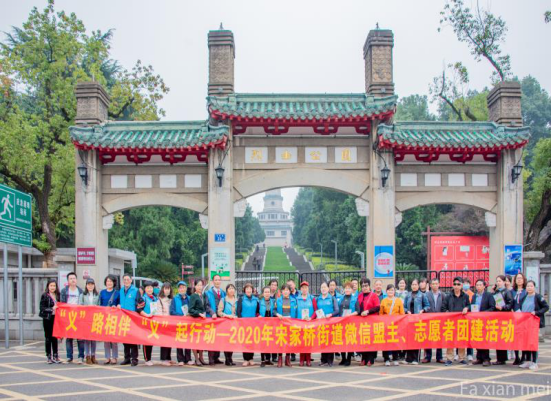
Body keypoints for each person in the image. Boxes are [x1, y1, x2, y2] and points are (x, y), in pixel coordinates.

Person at [518, 280, 549, 371]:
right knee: (525, 342)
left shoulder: (538, 297)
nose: (529, 288)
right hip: (525, 323)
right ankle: (528, 361)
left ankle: (534, 362)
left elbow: (546, 307)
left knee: (533, 342)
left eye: (531, 286)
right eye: (528, 286)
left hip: (534, 323)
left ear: (534, 287)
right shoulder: (524, 297)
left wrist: (537, 312)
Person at [442, 277, 470, 366]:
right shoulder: (448, 296)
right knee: (450, 339)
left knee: (461, 339)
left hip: (462, 321)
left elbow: (469, 306)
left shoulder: (465, 296)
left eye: (458, 284)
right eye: (455, 284)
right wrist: (447, 312)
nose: (456, 286)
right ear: (452, 285)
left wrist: (467, 308)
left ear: (461, 285)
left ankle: (461, 358)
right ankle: (449, 358)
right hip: (451, 322)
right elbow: (443, 307)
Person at [60, 272, 84, 364]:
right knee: (69, 337)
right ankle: (69, 356)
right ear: (68, 280)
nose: (73, 280)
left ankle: (81, 356)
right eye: (71, 278)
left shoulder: (80, 291)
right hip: (68, 316)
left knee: (80, 337)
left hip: (78, 316)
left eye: (74, 278)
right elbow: (62, 303)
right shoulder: (64, 291)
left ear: (76, 280)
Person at [470, 279, 496, 366]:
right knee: (477, 339)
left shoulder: (488, 295)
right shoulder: (474, 296)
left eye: (480, 285)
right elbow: (472, 306)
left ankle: (486, 358)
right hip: (476, 320)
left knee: (484, 340)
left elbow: (492, 307)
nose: (478, 287)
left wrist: (483, 313)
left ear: (484, 286)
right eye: (477, 285)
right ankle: (479, 358)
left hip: (485, 320)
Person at [404, 279, 429, 365]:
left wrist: (423, 310)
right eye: (413, 284)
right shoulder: (408, 295)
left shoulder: (422, 295)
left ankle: (415, 358)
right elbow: (404, 307)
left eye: (415, 284)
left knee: (416, 338)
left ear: (418, 286)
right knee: (409, 339)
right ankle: (408, 358)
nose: (414, 286)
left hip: (418, 320)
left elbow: (427, 306)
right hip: (409, 320)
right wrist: (406, 311)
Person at [356, 278, 380, 366]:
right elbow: (358, 308)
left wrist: (368, 311)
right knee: (363, 340)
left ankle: (370, 359)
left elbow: (377, 307)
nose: (364, 287)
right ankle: (364, 358)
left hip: (372, 321)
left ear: (369, 286)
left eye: (366, 285)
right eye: (362, 286)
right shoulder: (360, 296)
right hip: (363, 322)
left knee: (371, 340)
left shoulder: (374, 295)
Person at [379, 284, 404, 366]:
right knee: (386, 342)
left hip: (395, 324)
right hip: (386, 324)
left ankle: (395, 358)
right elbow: (381, 313)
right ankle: (386, 358)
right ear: (386, 291)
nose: (390, 292)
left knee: (395, 341)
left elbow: (402, 313)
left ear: (394, 291)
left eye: (392, 290)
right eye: (389, 290)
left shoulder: (398, 301)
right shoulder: (383, 301)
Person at [492, 275, 514, 365]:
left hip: (504, 317)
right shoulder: (496, 292)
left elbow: (510, 304)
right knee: (498, 338)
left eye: (500, 281)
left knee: (502, 338)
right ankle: (499, 358)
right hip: (497, 317)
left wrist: (502, 308)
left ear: (504, 282)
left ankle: (502, 358)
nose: (498, 283)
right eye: (497, 281)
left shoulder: (507, 292)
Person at [118, 273, 139, 366]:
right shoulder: (121, 290)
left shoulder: (135, 290)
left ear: (131, 280)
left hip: (133, 318)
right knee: (125, 339)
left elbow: (139, 303)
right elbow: (119, 301)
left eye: (128, 279)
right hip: (123, 317)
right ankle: (127, 358)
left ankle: (134, 359)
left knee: (133, 339)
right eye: (124, 280)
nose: (126, 281)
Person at [316, 282, 339, 367]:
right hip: (321, 323)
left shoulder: (332, 298)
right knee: (322, 341)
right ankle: (323, 360)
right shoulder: (318, 299)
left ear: (328, 288)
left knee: (330, 341)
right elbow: (316, 310)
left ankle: (330, 360)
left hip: (330, 323)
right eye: (322, 287)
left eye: (325, 287)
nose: (323, 289)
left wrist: (331, 314)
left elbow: (337, 310)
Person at [170, 281, 192, 366]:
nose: (182, 289)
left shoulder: (189, 298)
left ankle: (188, 358)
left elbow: (192, 309)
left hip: (188, 322)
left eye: (183, 287)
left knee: (188, 340)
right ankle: (180, 359)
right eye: (180, 288)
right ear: (178, 289)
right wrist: (181, 316)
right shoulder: (175, 299)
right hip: (179, 322)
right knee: (179, 341)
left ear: (186, 288)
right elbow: (172, 311)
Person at [237, 283, 259, 366]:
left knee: (252, 341)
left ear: (252, 290)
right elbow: (238, 311)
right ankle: (246, 359)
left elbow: (257, 311)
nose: (249, 290)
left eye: (250, 289)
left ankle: (251, 358)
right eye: (247, 289)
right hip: (244, 323)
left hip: (253, 324)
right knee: (245, 341)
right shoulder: (241, 299)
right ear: (244, 290)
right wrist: (240, 321)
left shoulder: (256, 299)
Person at [99, 275, 120, 365]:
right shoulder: (102, 292)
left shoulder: (117, 293)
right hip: (104, 318)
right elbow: (99, 304)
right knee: (106, 339)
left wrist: (117, 306)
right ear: (105, 282)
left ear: (114, 283)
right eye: (108, 281)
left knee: (114, 339)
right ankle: (107, 357)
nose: (109, 283)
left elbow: (119, 304)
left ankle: (114, 357)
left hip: (114, 318)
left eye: (111, 281)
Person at [39, 278, 61, 364]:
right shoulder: (45, 295)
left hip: (56, 318)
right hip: (47, 318)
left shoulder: (58, 295)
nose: (52, 287)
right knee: (48, 337)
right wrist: (52, 309)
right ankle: (48, 355)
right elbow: (42, 308)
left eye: (54, 286)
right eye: (51, 285)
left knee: (55, 337)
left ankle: (55, 355)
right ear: (48, 286)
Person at [423, 279, 444, 364]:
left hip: (439, 319)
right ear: (430, 285)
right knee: (428, 338)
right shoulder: (426, 295)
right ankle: (428, 357)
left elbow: (444, 306)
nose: (435, 285)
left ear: (439, 284)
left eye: (436, 284)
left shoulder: (442, 295)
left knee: (439, 338)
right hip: (429, 319)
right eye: (433, 284)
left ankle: (439, 357)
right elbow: (425, 305)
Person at [137, 281, 158, 366]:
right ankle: (147, 359)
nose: (149, 289)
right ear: (145, 289)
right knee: (146, 341)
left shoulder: (155, 298)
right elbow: (139, 309)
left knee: (151, 341)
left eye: (151, 288)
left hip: (153, 323)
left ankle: (149, 358)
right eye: (148, 288)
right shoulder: (143, 298)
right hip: (146, 322)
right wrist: (147, 315)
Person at [276, 284, 298, 367]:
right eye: (284, 290)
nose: (285, 292)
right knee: (281, 341)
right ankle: (280, 359)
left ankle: (287, 359)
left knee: (289, 341)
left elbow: (296, 312)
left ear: (290, 291)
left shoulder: (294, 300)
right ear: (281, 291)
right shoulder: (278, 300)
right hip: (280, 323)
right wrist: (277, 314)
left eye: (287, 290)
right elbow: (274, 310)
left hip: (290, 323)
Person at [79, 278, 100, 365]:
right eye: (88, 284)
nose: (90, 286)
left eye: (92, 284)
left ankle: (93, 356)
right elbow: (80, 305)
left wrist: (95, 307)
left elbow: (99, 306)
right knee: (87, 339)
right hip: (86, 319)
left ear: (94, 285)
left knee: (93, 339)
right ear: (86, 286)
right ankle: (87, 356)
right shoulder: (82, 295)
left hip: (95, 319)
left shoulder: (97, 295)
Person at [296, 281, 317, 367]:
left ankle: (308, 359)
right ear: (300, 289)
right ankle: (301, 359)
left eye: (306, 288)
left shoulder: (312, 298)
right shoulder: (297, 299)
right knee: (301, 341)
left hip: (309, 323)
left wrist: (311, 318)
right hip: (300, 323)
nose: (304, 289)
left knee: (308, 341)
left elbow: (316, 310)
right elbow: (295, 310)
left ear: (308, 289)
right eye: (303, 288)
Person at [204, 274, 223, 365]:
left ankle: (216, 357)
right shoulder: (208, 293)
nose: (217, 281)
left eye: (219, 280)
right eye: (216, 280)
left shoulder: (223, 293)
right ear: (212, 281)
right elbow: (206, 305)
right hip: (212, 318)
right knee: (211, 337)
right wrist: (212, 313)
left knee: (219, 338)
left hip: (221, 318)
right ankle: (211, 358)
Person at [338, 282, 358, 367]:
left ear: (352, 289)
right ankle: (343, 358)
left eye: (349, 288)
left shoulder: (355, 299)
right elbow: (339, 309)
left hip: (351, 322)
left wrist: (350, 314)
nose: (347, 290)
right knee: (342, 341)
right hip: (342, 322)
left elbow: (358, 311)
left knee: (350, 340)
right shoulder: (341, 298)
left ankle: (348, 359)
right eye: (346, 288)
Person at [189, 279, 208, 366]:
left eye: (201, 285)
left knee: (201, 340)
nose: (200, 287)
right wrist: (199, 313)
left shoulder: (203, 295)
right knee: (195, 340)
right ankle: (196, 359)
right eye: (198, 285)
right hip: (195, 320)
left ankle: (201, 357)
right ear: (195, 286)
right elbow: (190, 309)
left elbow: (205, 307)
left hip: (202, 321)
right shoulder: (193, 296)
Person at [218, 283, 238, 366]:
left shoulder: (237, 300)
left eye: (233, 288)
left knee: (232, 341)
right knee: (226, 341)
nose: (231, 290)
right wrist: (227, 315)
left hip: (234, 323)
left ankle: (230, 358)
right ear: (226, 291)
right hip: (226, 323)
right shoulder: (223, 300)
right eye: (229, 289)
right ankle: (227, 359)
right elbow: (219, 312)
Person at [511, 273, 528, 365]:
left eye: (521, 278)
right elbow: (509, 302)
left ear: (524, 280)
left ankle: (523, 356)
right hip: (514, 317)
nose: (519, 280)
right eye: (517, 278)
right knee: (515, 338)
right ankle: (516, 356)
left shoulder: (526, 291)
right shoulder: (512, 291)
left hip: (524, 317)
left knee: (523, 337)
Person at [258, 286, 276, 367]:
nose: (267, 293)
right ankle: (263, 360)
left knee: (270, 342)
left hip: (271, 324)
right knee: (263, 342)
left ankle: (268, 359)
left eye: (268, 292)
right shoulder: (259, 302)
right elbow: (257, 312)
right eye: (265, 292)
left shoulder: (273, 301)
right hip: (262, 324)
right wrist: (258, 316)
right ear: (263, 293)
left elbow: (275, 311)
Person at [157, 282, 174, 366]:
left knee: (169, 341)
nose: (167, 290)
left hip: (171, 323)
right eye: (165, 289)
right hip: (163, 323)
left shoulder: (171, 299)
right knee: (164, 341)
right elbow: (159, 312)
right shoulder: (160, 299)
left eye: (168, 289)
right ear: (163, 289)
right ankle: (163, 358)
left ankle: (168, 358)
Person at [395, 278, 409, 362]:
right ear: (398, 284)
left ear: (405, 285)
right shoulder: (395, 293)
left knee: (405, 336)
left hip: (405, 317)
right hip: (396, 318)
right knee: (397, 335)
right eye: (400, 283)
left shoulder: (408, 294)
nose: (402, 285)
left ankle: (403, 354)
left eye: (403, 283)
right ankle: (398, 354)